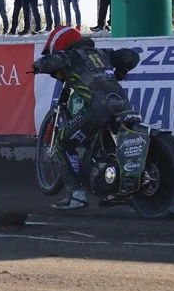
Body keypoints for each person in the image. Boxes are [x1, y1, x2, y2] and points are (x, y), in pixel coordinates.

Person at [31, 26, 141, 210]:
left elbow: (51, 61)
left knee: (63, 142)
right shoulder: (101, 54)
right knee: (114, 144)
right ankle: (117, 184)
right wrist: (120, 71)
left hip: (96, 109)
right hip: (122, 106)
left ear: (60, 45)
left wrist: (37, 65)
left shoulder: (70, 56)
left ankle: (76, 195)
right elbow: (131, 56)